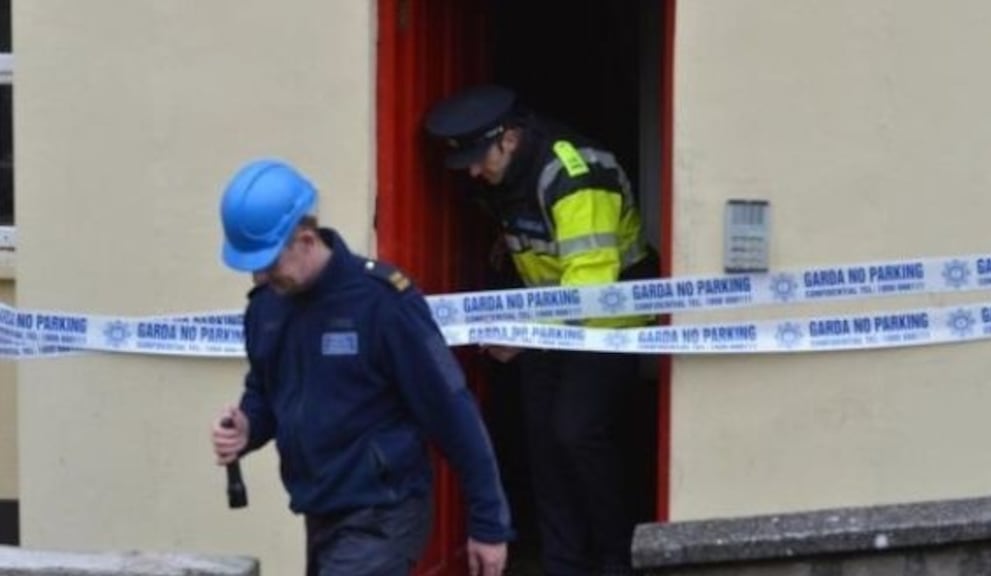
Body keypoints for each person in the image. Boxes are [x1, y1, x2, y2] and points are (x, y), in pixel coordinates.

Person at [209, 159, 513, 576]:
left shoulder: (382, 304)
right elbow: (264, 389)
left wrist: (489, 523)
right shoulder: (266, 309)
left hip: (384, 512)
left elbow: (452, 409)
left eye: (269, 261)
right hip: (320, 508)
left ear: (306, 236)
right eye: (252, 265)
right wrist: (248, 427)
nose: (261, 276)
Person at [425, 86, 659, 576]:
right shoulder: (503, 172)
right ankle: (563, 564)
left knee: (576, 433)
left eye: (477, 157)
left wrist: (522, 334)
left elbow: (589, 291)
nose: (472, 171)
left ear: (509, 139)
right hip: (549, 321)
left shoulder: (577, 178)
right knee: (544, 446)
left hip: (606, 322)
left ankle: (618, 558)